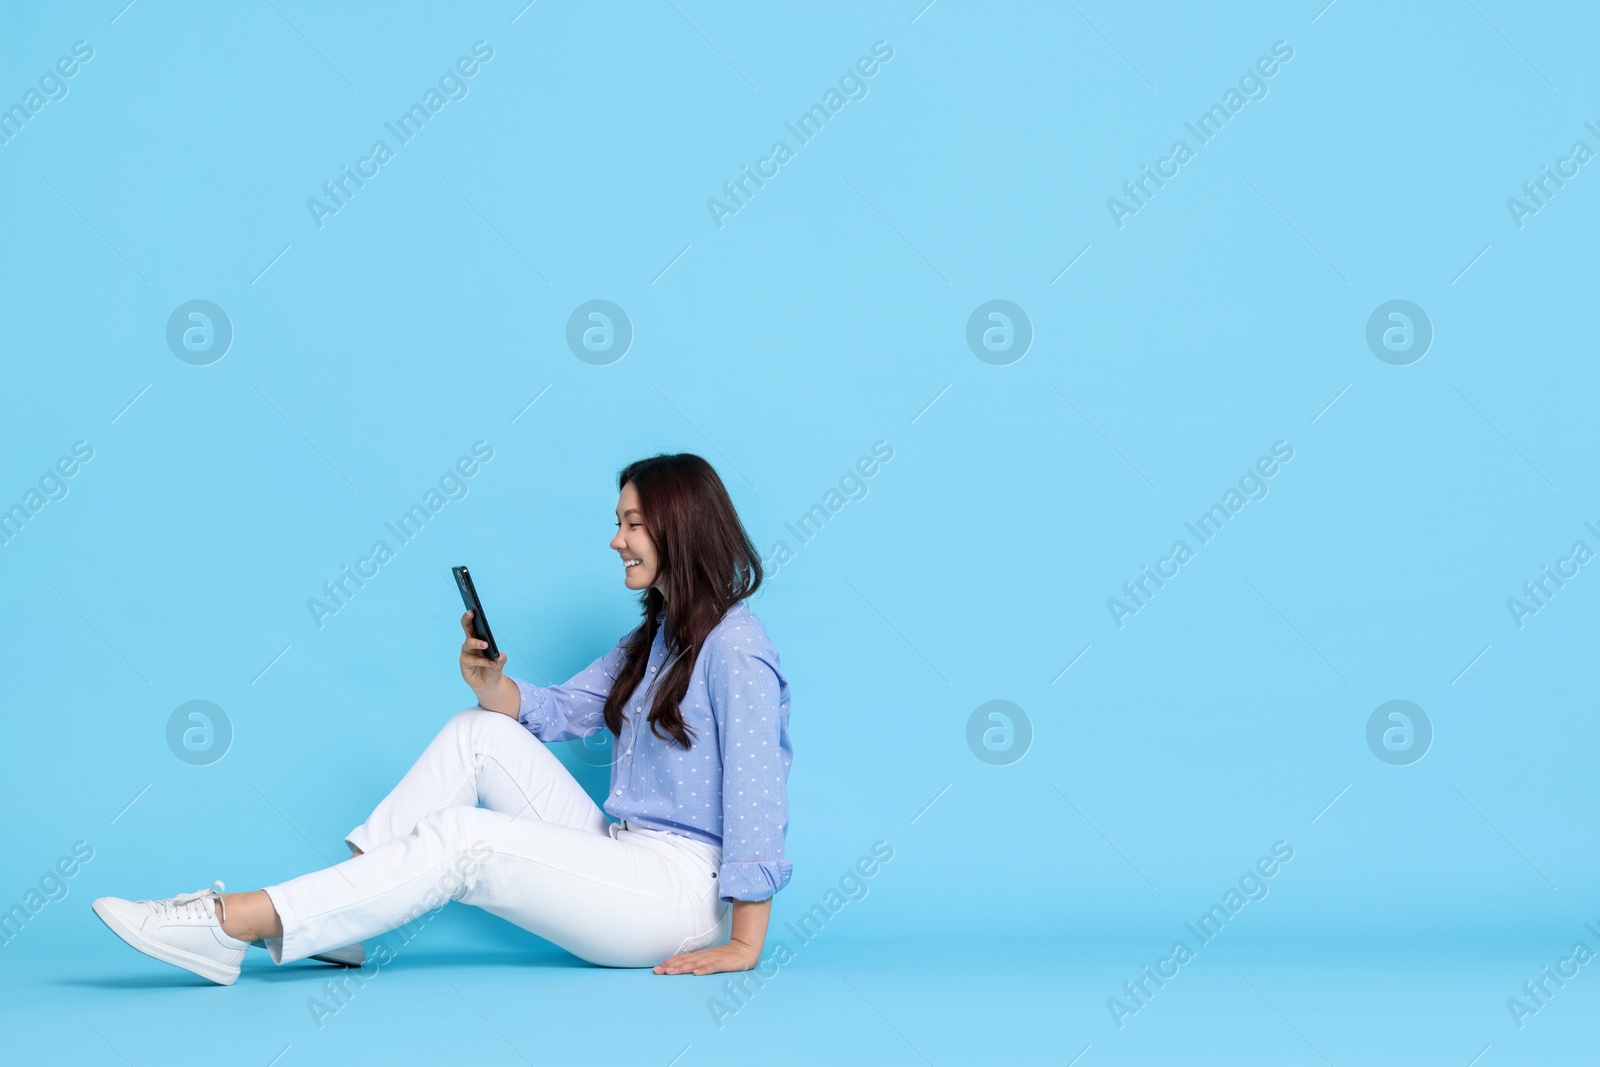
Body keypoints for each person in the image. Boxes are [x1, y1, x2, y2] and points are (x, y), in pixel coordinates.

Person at [92, 453, 792, 984]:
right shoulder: (656, 637)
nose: (616, 539)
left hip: (678, 893)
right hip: (625, 847)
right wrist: (490, 683)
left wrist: (743, 942)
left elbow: (758, 796)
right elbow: (558, 710)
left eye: (633, 522)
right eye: (618, 522)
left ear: (681, 525)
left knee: (465, 840)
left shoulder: (738, 645)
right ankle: (344, 920)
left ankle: (229, 923)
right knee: (476, 732)